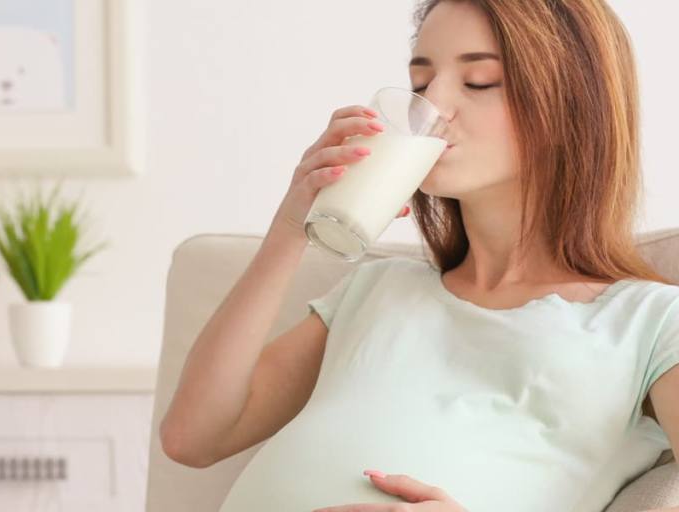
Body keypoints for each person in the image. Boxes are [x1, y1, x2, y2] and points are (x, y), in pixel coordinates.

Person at [160, 1, 679, 511]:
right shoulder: (378, 288)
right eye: (421, 83)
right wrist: (292, 227)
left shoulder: (650, 321)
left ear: (570, 105)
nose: (434, 105)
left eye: (479, 82)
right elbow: (193, 437)